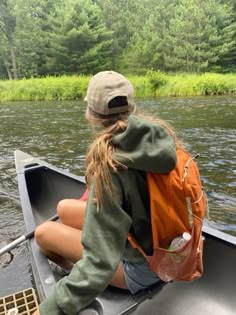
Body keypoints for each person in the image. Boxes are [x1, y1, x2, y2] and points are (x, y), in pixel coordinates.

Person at [33, 71, 178, 315]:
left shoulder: (110, 168)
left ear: (91, 115)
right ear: (133, 107)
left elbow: (99, 262)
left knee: (44, 233)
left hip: (142, 271)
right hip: (169, 255)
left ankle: (80, 286)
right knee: (64, 210)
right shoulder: (161, 143)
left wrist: (51, 308)